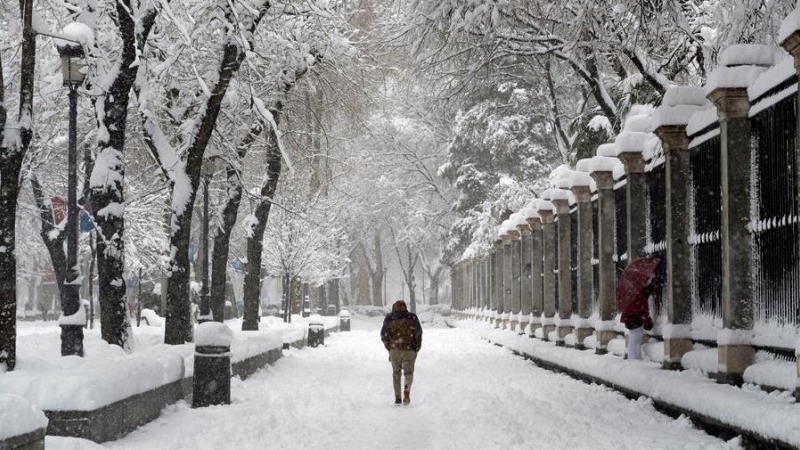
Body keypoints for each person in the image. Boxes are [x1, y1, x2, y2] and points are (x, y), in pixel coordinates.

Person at [380, 300, 423, 405]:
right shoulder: (412, 317)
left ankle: (398, 397)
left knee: (396, 373)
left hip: (395, 349)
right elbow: (418, 333)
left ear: (394, 308)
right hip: (409, 349)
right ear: (405, 307)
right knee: (408, 373)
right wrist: (416, 348)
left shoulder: (389, 318)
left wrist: (389, 348)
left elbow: (383, 335)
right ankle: (407, 390)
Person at [621, 279, 655, 360]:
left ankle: (633, 358)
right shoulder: (639, 292)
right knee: (635, 341)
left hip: (630, 318)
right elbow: (642, 308)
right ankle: (634, 359)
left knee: (633, 340)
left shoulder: (631, 290)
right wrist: (646, 321)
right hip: (635, 319)